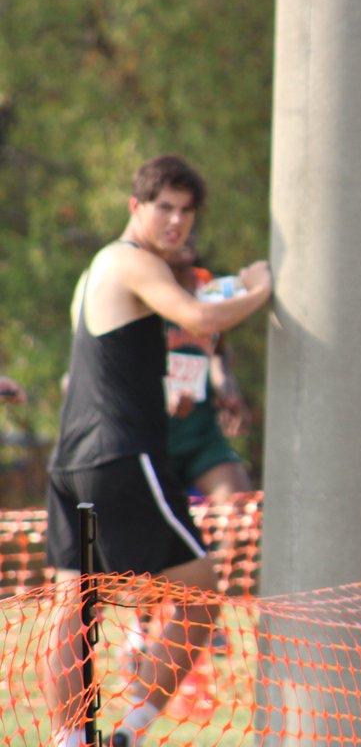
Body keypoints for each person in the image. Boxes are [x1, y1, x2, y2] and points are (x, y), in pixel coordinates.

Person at [43, 154, 273, 747]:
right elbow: (198, 315)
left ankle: (70, 741)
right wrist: (259, 289)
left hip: (69, 462)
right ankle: (131, 731)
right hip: (121, 456)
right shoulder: (136, 261)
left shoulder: (96, 270)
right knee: (202, 594)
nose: (176, 221)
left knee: (73, 602)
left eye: (186, 212)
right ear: (135, 207)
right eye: (164, 207)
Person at [163, 233, 254, 504]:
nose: (181, 230)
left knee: (239, 509)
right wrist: (164, 393)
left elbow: (218, 351)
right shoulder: (145, 290)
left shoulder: (209, 288)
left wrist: (227, 389)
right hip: (151, 435)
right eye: (169, 214)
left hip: (200, 432)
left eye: (188, 219)